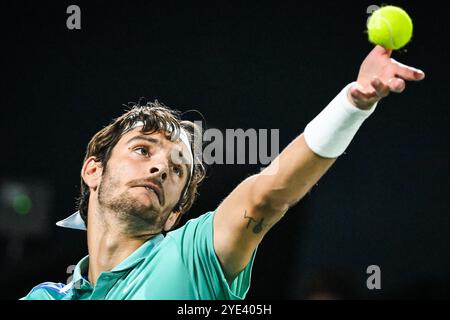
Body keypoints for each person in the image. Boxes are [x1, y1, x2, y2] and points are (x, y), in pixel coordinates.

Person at [21, 45, 425, 299]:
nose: (161, 166)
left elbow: (266, 195)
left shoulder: (195, 255)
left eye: (177, 169)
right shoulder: (46, 297)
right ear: (93, 170)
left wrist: (352, 105)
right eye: (142, 149)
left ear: (175, 214)